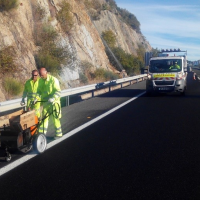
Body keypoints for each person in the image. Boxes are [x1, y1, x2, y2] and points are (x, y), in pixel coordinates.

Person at [38, 67, 62, 139]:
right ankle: (41, 135)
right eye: (40, 75)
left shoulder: (53, 80)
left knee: (55, 119)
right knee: (44, 119)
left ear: (46, 72)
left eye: (42, 75)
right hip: (46, 103)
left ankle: (58, 134)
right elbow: (39, 91)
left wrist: (53, 98)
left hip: (54, 103)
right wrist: (36, 98)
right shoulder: (41, 81)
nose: (41, 76)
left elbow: (58, 91)